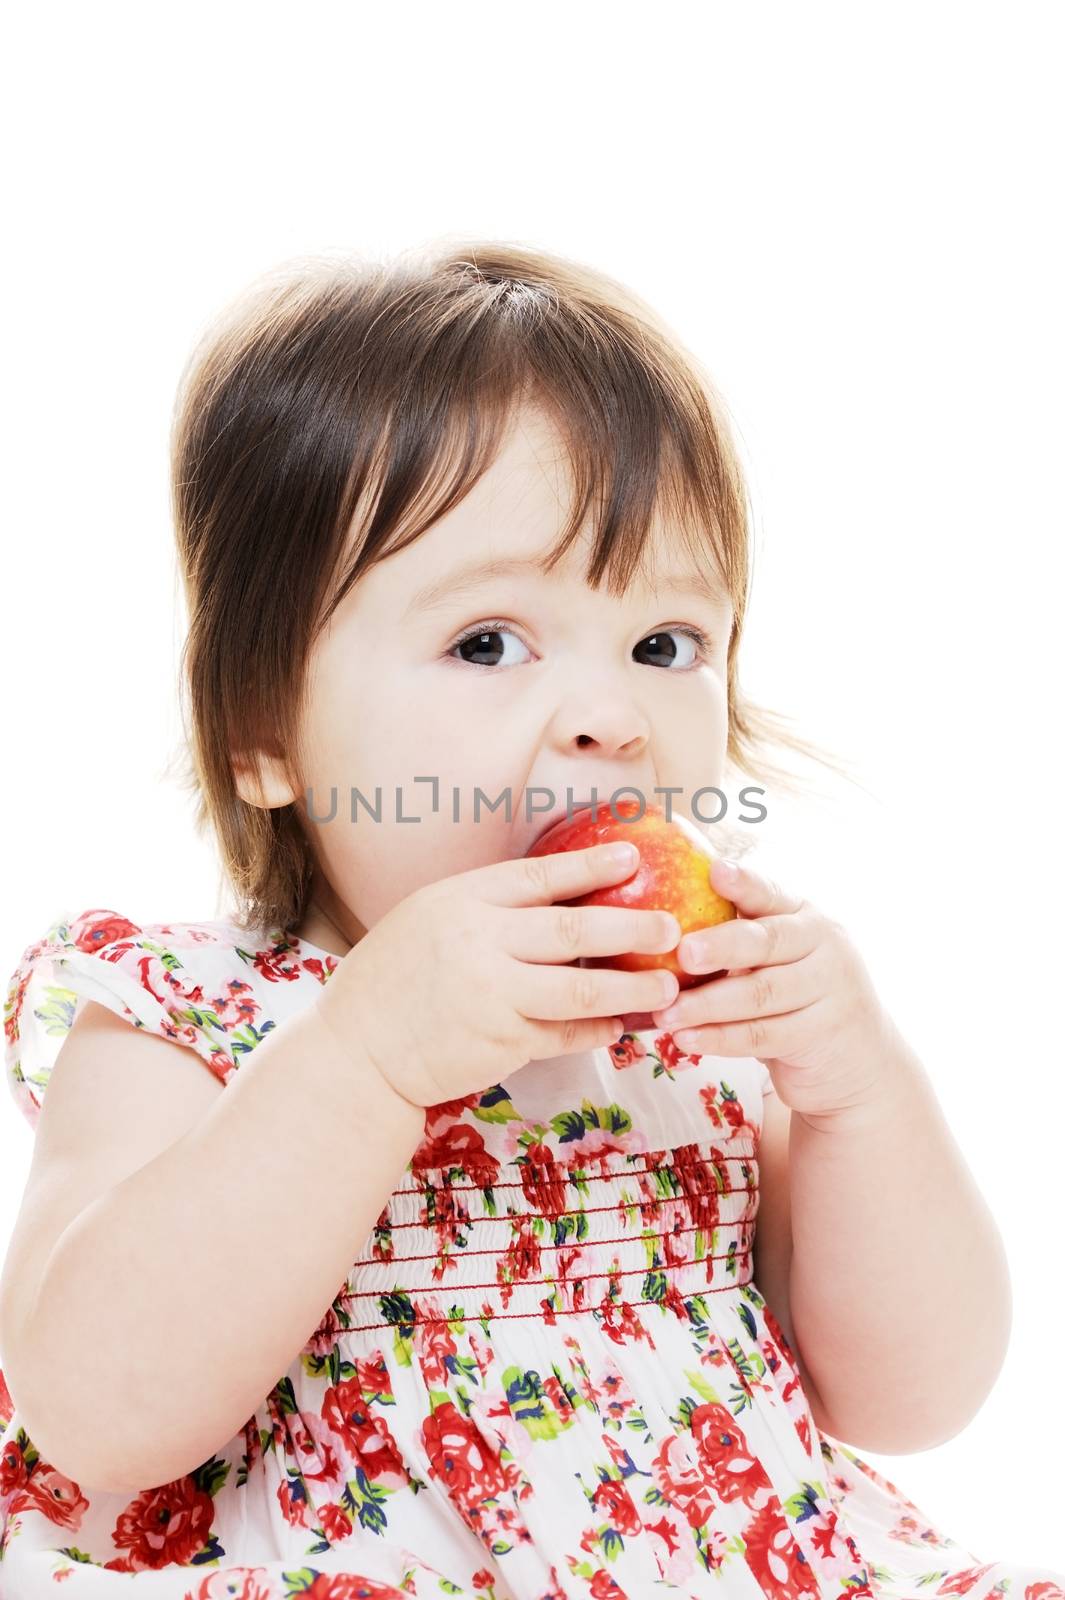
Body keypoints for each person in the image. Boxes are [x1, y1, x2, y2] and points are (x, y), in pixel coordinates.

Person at [0, 242, 1060, 1599]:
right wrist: (365, 1060)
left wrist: (858, 1093)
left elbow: (912, 1398)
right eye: (489, 642)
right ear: (261, 730)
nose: (608, 716)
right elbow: (99, 1410)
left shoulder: (700, 1027)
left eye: (664, 647)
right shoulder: (187, 1020)